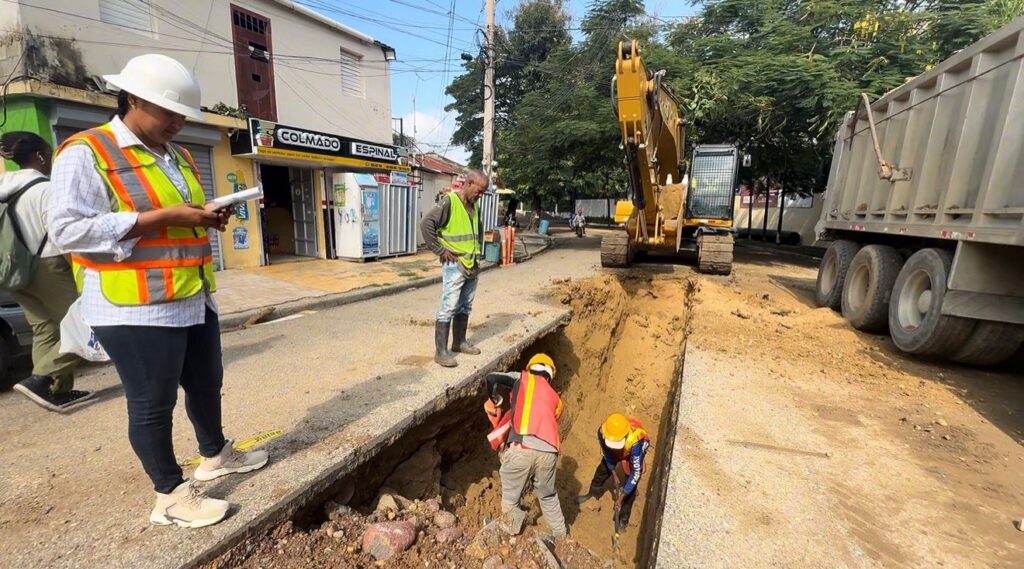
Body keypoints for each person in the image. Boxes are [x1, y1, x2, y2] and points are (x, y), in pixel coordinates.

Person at [48, 53, 268, 528]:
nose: (177, 122)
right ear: (131, 99)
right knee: (152, 403)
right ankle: (168, 495)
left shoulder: (179, 155)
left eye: (182, 114)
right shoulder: (88, 151)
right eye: (168, 112)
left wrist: (205, 215)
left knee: (207, 385)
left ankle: (214, 455)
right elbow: (66, 230)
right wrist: (164, 217)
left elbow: (178, 216)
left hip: (191, 295)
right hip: (133, 305)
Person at [0, 132, 91, 411]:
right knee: (85, 323)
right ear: (39, 156)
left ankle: (57, 391)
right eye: (49, 155)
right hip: (47, 266)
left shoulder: (4, 187)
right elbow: (60, 235)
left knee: (45, 329)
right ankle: (42, 379)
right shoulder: (46, 190)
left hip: (12, 270)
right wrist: (81, 271)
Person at [484, 353, 568, 538]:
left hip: (522, 447)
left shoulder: (521, 378)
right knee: (547, 496)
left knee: (511, 497)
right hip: (549, 452)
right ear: (550, 376)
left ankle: (511, 533)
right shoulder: (557, 400)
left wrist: (496, 399)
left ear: (530, 369)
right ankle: (562, 536)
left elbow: (491, 378)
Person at [421, 170, 488, 367]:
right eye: (479, 190)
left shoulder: (475, 207)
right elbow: (426, 224)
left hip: (472, 263)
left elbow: (478, 230)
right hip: (455, 264)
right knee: (448, 307)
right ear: (467, 183)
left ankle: (459, 342)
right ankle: (441, 352)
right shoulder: (450, 202)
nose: (480, 195)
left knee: (465, 305)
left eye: (483, 192)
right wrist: (440, 250)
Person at [577, 413, 651, 535]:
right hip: (617, 449)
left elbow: (635, 474)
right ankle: (592, 494)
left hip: (631, 452)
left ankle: (623, 519)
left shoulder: (637, 443)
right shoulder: (603, 432)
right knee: (602, 470)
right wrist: (614, 473)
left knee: (630, 488)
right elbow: (607, 454)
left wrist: (621, 498)